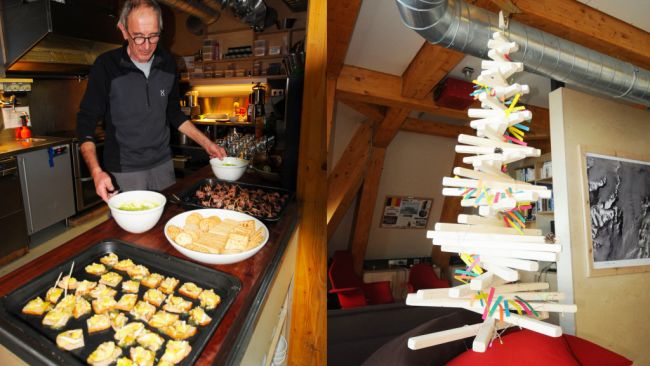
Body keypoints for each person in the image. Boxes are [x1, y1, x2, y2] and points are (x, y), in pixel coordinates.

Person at [76, 0, 225, 202]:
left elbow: (173, 113)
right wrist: (96, 171)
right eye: (138, 37)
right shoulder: (106, 66)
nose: (147, 46)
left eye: (153, 36)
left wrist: (207, 144)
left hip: (163, 165)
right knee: (129, 230)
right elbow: (86, 121)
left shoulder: (167, 62)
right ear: (123, 30)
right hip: (124, 171)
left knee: (167, 220)